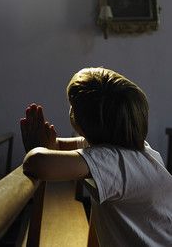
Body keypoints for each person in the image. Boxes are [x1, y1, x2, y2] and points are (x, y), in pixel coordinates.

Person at [20, 67, 172, 247]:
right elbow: (59, 147)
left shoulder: (116, 161)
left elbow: (38, 163)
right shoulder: (127, 149)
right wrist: (47, 144)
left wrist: (37, 146)